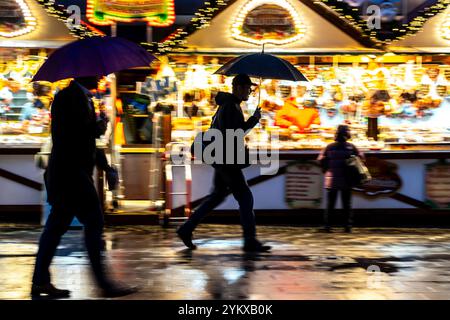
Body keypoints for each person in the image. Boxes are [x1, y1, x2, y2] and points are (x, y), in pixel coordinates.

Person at [31, 76, 136, 298]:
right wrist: (97, 127)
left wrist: (106, 167)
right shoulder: (68, 98)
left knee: (56, 227)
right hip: (71, 175)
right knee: (93, 222)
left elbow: (86, 141)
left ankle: (40, 282)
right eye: (96, 73)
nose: (99, 77)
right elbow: (72, 137)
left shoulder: (82, 98)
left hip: (71, 175)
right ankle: (104, 284)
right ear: (83, 74)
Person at [177, 74, 271, 252]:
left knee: (217, 196)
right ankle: (249, 240)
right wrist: (254, 119)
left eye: (250, 89)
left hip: (222, 158)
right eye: (247, 88)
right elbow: (234, 133)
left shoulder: (229, 104)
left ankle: (186, 229)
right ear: (237, 88)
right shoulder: (231, 106)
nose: (250, 92)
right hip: (227, 160)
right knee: (245, 197)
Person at [317, 125, 364, 233]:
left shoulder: (329, 147)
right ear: (347, 134)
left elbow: (320, 160)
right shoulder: (351, 147)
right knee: (346, 204)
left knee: (330, 204)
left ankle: (328, 226)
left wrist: (327, 169)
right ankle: (347, 226)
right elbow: (361, 158)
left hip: (331, 179)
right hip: (347, 179)